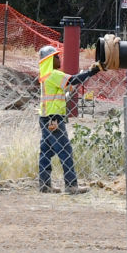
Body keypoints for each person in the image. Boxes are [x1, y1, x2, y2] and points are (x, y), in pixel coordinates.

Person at [37, 44, 96, 194]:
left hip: (44, 118)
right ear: (49, 60)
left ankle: (44, 185)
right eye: (56, 57)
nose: (59, 59)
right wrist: (92, 72)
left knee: (46, 152)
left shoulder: (45, 76)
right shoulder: (54, 75)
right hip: (54, 119)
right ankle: (71, 185)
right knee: (65, 151)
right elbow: (74, 80)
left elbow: (67, 85)